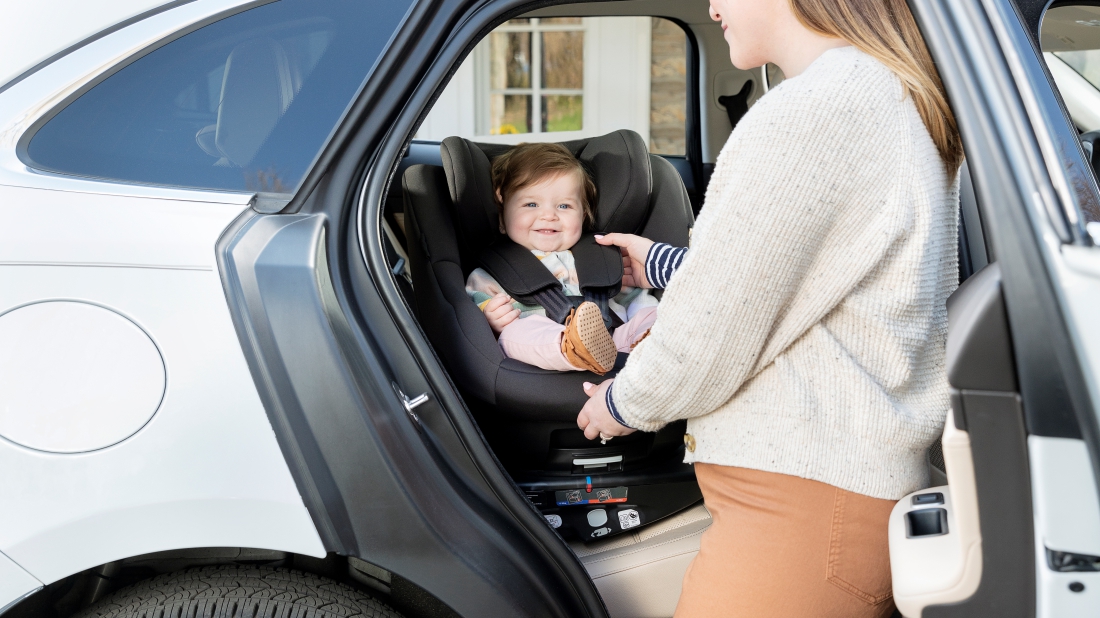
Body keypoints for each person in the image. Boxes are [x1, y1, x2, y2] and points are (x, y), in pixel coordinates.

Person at [575, 0, 963, 616]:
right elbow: (797, 281)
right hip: (830, 493)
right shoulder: (879, 95)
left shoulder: (818, 109)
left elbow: (712, 329)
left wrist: (622, 403)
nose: (712, 5)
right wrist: (657, 263)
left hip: (801, 505)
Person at [466, 142, 659, 375]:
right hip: (542, 347)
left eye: (564, 205)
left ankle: (653, 345)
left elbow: (635, 300)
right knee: (513, 334)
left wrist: (649, 320)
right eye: (531, 204)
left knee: (655, 315)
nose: (548, 215)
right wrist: (491, 319)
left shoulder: (601, 258)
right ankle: (573, 346)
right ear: (502, 218)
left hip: (614, 344)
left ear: (584, 215)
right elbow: (472, 309)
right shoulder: (493, 270)